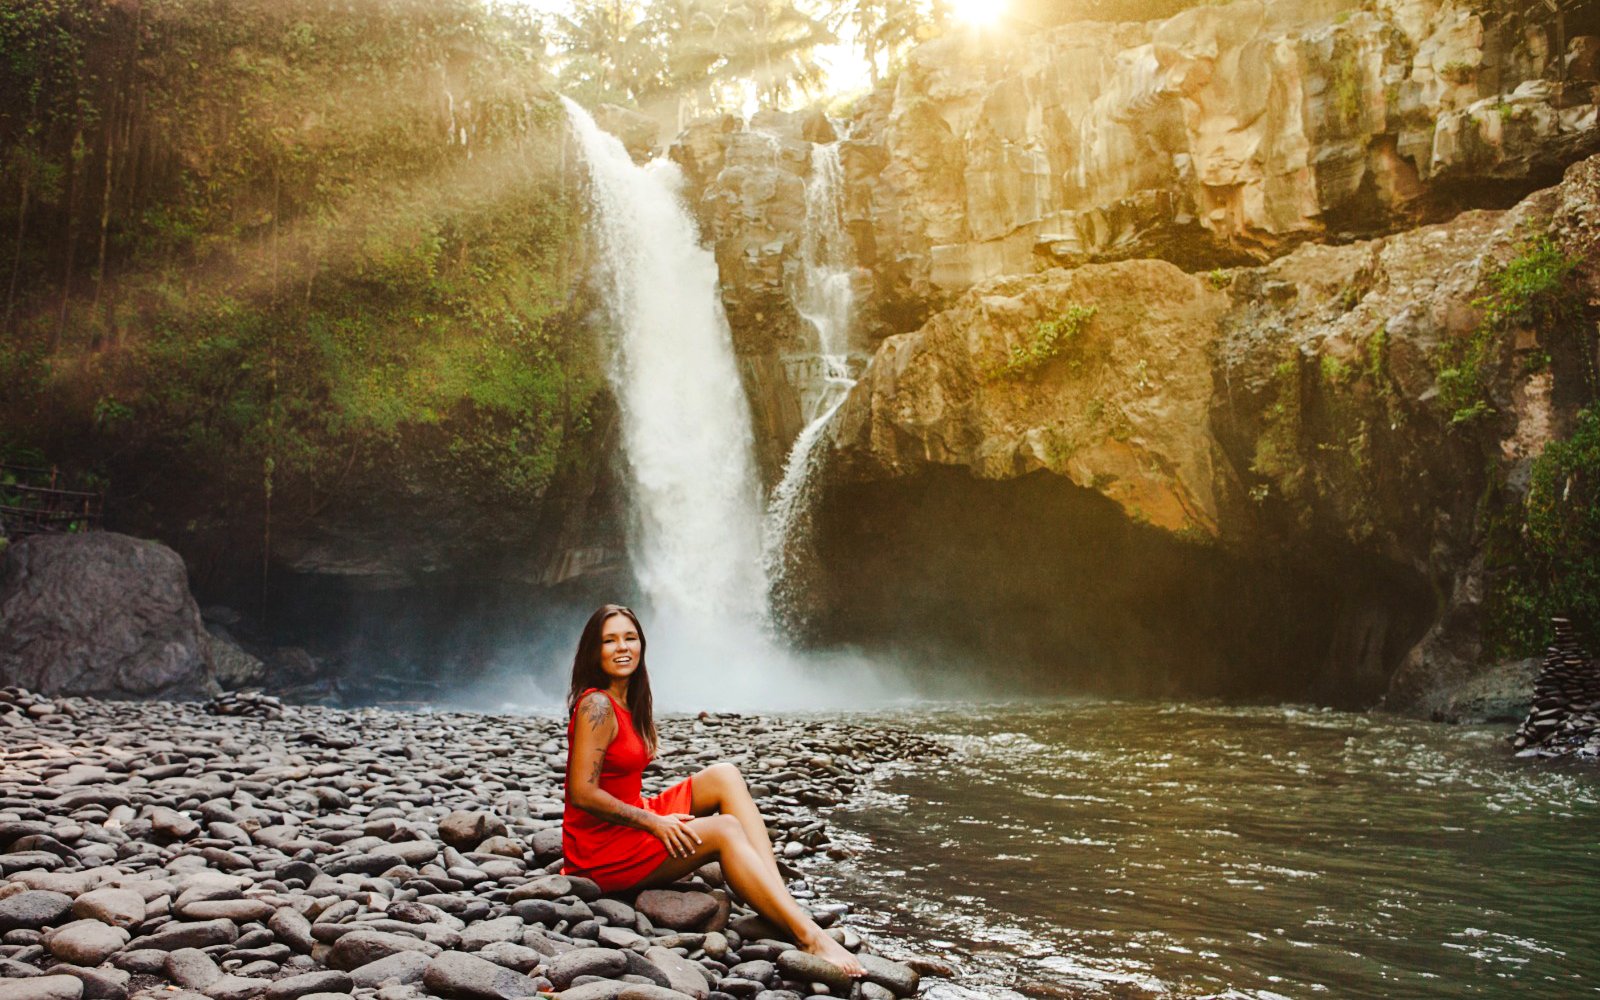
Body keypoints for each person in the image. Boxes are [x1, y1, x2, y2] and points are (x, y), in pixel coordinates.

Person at [562, 603, 864, 977]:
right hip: (600, 850)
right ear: (594, 650)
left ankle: (778, 898)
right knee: (725, 830)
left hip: (632, 820)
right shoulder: (597, 706)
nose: (622, 647)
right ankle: (807, 936)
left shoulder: (627, 698)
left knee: (724, 774)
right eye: (610, 641)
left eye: (630, 638)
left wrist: (651, 817)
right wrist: (655, 823)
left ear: (642, 644)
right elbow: (582, 793)